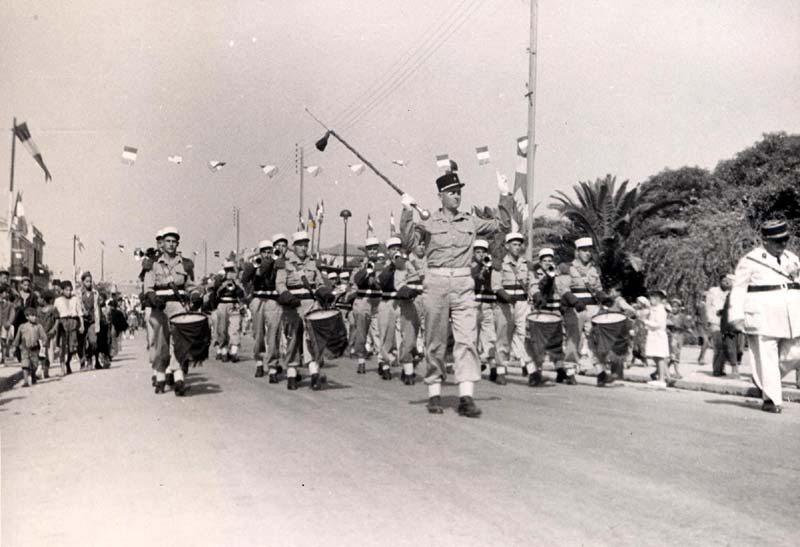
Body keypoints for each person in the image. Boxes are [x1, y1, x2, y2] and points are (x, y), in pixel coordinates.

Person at [400, 169, 512, 417]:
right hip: (436, 282)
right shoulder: (428, 222)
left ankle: (466, 397)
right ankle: (435, 394)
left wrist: (504, 195)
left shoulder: (470, 221)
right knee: (435, 339)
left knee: (466, 340)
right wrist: (407, 212)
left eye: (459, 192)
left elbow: (502, 225)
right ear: (440, 195)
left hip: (463, 283)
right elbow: (408, 243)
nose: (456, 196)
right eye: (451, 192)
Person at [728, 219, 800, 414]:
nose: (782, 245)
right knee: (765, 356)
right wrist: (736, 316)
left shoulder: (792, 258)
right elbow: (738, 289)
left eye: (785, 240)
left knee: (795, 353)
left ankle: (763, 378)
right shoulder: (750, 260)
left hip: (792, 315)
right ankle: (771, 399)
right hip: (762, 315)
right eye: (777, 241)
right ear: (765, 240)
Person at [143, 226, 202, 396]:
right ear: (163, 243)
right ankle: (160, 375)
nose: (170, 244)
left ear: (177, 243)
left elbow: (190, 285)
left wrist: (196, 294)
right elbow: (148, 287)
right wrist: (153, 298)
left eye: (173, 241)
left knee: (178, 342)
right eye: (167, 241)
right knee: (161, 343)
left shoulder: (184, 263)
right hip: (159, 307)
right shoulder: (153, 264)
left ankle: (178, 377)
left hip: (178, 307)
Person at [276, 231, 332, 390]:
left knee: (310, 339)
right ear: (293, 247)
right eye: (300, 245)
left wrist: (323, 291)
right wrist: (287, 296)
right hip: (293, 306)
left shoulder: (312, 263)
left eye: (305, 245)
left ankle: (314, 373)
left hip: (310, 305)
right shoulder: (284, 263)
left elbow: (319, 282)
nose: (303, 248)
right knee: (293, 339)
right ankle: (292, 374)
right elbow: (280, 284)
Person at [530, 247, 578, 385]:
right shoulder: (535, 273)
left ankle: (560, 370)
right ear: (540, 262)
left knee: (557, 342)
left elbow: (563, 289)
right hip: (542, 311)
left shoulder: (558, 274)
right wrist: (547, 278)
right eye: (544, 261)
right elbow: (535, 288)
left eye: (550, 260)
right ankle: (537, 372)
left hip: (555, 311)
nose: (547, 263)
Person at [492, 232, 535, 386]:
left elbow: (533, 284)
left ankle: (531, 370)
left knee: (525, 336)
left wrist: (536, 294)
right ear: (507, 246)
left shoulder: (526, 265)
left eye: (519, 244)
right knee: (503, 337)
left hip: (522, 305)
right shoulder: (499, 265)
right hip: (505, 305)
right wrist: (507, 297)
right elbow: (496, 286)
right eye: (514, 244)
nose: (517, 247)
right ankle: (501, 370)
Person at [376, 237, 421, 384]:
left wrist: (411, 289)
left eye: (398, 248)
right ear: (388, 252)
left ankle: (408, 369)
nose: (396, 251)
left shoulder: (407, 264)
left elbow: (415, 279)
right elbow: (381, 281)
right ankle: (385, 363)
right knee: (386, 334)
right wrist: (393, 266)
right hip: (388, 302)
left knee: (407, 335)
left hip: (405, 302)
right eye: (392, 249)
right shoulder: (383, 265)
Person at [569, 237, 603, 374]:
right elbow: (564, 289)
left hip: (592, 308)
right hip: (576, 308)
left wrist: (602, 296)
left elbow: (598, 287)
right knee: (574, 337)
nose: (587, 253)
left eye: (589, 251)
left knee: (594, 337)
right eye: (584, 251)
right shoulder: (570, 269)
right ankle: (571, 366)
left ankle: (596, 367)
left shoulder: (594, 270)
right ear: (577, 252)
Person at [350, 237, 384, 374]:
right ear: (366, 251)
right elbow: (356, 280)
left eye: (375, 248)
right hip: (363, 301)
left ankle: (382, 362)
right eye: (370, 249)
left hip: (378, 301)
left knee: (380, 332)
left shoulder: (382, 266)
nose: (373, 251)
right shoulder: (360, 266)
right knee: (361, 334)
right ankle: (361, 360)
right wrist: (367, 270)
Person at [471, 240, 498, 381]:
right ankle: (474, 364)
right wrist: (479, 271)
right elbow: (473, 278)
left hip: (487, 304)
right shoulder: (470, 266)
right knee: (472, 336)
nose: (481, 255)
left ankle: (492, 364)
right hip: (473, 305)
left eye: (483, 252)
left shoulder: (490, 265)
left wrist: (488, 269)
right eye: (478, 252)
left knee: (489, 335)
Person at [212, 261, 245, 362]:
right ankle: (224, 351)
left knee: (235, 328)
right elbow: (214, 293)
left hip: (234, 305)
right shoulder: (219, 278)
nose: (229, 271)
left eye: (231, 269)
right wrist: (221, 284)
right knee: (222, 329)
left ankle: (234, 352)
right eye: (228, 269)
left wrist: (235, 284)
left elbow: (242, 294)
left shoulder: (237, 280)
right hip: (222, 305)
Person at [54, 281, 84, 375]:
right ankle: (62, 366)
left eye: (70, 290)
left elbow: (80, 313)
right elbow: (55, 314)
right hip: (62, 323)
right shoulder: (58, 300)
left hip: (73, 322)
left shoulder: (75, 299)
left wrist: (82, 325)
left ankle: (68, 363)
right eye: (66, 290)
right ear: (62, 290)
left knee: (72, 347)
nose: (69, 292)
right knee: (63, 346)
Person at [13, 307, 47, 388]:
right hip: (24, 348)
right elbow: (18, 337)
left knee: (34, 365)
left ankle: (33, 376)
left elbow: (43, 336)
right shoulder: (22, 327)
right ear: (27, 317)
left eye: (35, 316)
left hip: (35, 349)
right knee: (25, 365)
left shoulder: (39, 326)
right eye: (32, 316)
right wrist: (15, 346)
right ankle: (25, 381)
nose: (34, 317)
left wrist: (44, 342)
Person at [705, 274, 732, 376]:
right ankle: (716, 369)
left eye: (728, 281)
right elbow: (708, 306)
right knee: (718, 346)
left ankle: (721, 368)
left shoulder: (731, 293)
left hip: (726, 322)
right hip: (715, 321)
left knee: (725, 346)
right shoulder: (713, 291)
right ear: (720, 281)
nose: (726, 282)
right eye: (724, 280)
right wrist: (709, 319)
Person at [644, 290, 670, 387]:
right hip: (653, 335)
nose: (650, 300)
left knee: (659, 357)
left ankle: (662, 379)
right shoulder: (653, 309)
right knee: (655, 356)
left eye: (651, 298)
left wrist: (645, 322)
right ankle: (661, 377)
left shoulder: (660, 310)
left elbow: (658, 324)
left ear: (657, 299)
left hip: (658, 335)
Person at [78, 271, 103, 370]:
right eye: (87, 281)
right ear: (83, 282)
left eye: (90, 281)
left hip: (92, 320)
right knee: (82, 342)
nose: (89, 283)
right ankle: (83, 362)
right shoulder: (79, 293)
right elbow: (78, 307)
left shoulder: (95, 293)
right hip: (82, 320)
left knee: (93, 341)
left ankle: (90, 357)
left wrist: (98, 322)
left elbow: (97, 308)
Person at [37, 291, 59, 378]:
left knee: (48, 353)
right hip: (40, 334)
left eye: (40, 298)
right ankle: (40, 370)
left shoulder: (53, 309)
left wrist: (54, 329)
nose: (38, 300)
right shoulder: (38, 309)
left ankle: (46, 371)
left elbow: (57, 320)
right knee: (41, 352)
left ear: (44, 299)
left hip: (50, 334)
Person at [0, 287, 15, 364]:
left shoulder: (9, 304)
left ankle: (3, 358)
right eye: (5, 292)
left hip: (4, 325)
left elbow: (12, 314)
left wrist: (9, 322)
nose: (6, 294)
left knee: (3, 342)